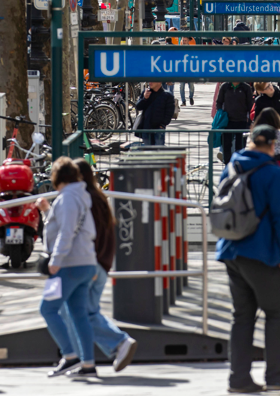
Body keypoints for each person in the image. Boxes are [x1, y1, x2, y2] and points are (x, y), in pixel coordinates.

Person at [216, 125, 280, 393]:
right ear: (273, 145)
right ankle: (275, 374)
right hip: (262, 252)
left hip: (231, 249)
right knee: (277, 312)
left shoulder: (232, 166)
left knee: (242, 316)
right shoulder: (272, 172)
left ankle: (238, 379)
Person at [54, 159, 137, 373]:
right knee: (80, 311)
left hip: (91, 263)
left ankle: (118, 343)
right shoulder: (97, 197)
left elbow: (79, 234)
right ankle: (85, 359)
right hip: (100, 263)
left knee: (81, 313)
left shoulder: (83, 200)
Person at [38, 158, 98, 378]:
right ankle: (88, 363)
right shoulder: (80, 196)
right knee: (79, 314)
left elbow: (66, 232)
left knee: (47, 309)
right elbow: (70, 227)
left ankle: (70, 355)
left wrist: (56, 260)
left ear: (57, 177)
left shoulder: (67, 198)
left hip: (68, 265)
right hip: (85, 263)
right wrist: (47, 211)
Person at [217, 81, 254, 164]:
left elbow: (250, 106)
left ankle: (239, 164)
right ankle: (227, 163)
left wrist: (249, 121)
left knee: (240, 145)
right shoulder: (225, 86)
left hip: (242, 121)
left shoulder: (246, 87)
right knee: (226, 144)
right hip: (227, 121)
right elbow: (219, 102)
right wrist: (220, 114)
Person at [134, 82, 175, 146]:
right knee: (148, 150)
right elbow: (138, 107)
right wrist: (144, 98)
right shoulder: (146, 92)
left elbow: (169, 113)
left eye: (152, 80)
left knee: (158, 150)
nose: (150, 82)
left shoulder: (167, 95)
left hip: (159, 129)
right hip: (146, 128)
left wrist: (162, 125)